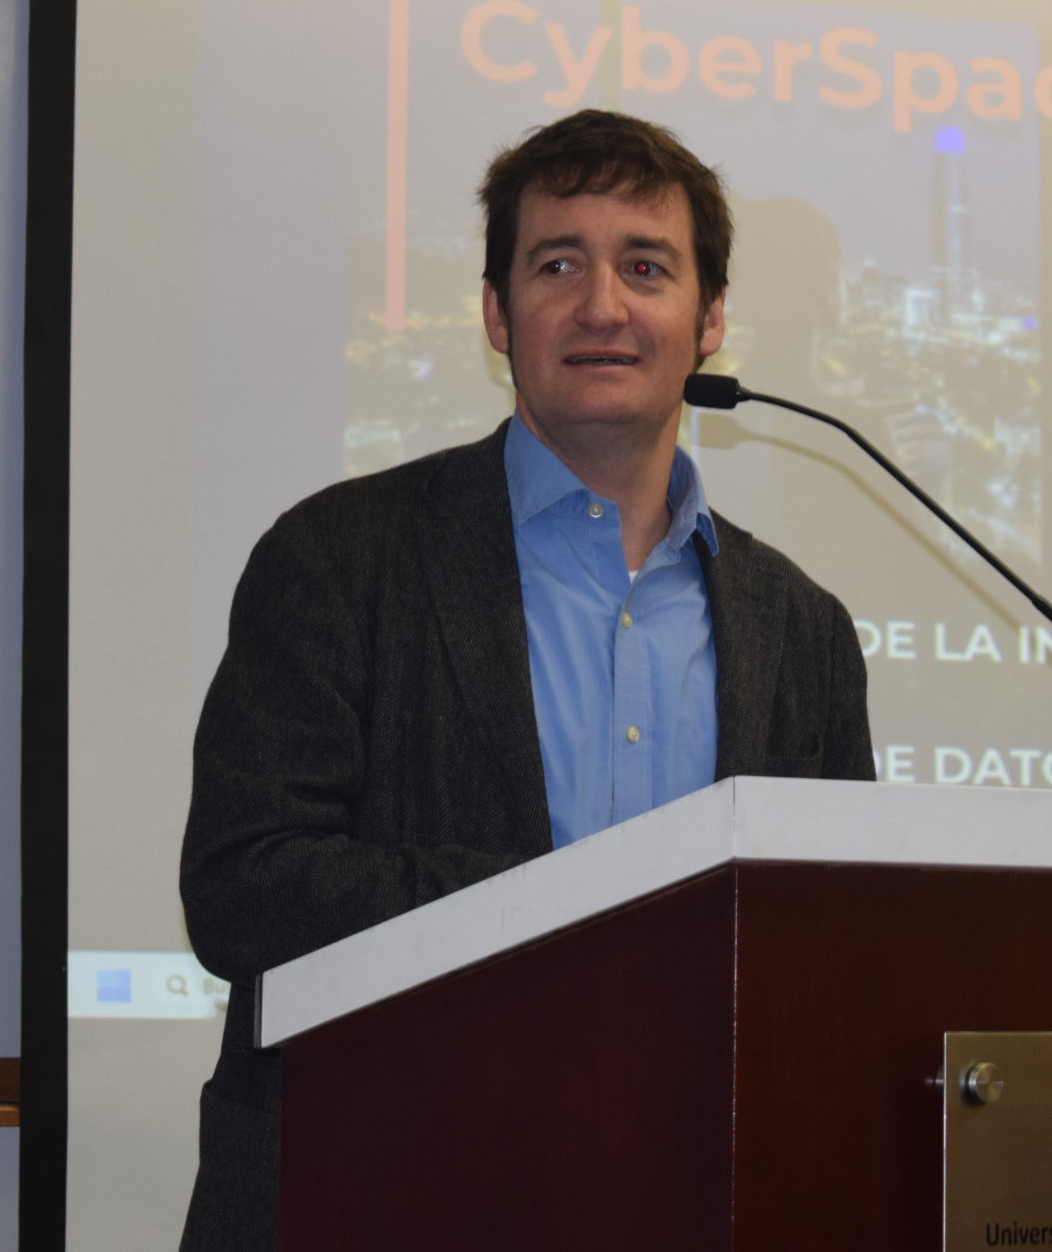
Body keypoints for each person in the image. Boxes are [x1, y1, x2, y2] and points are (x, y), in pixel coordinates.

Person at [176, 110, 875, 1250]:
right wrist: (576, 914)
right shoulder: (340, 559)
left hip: (694, 1203)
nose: (602, 305)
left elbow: (837, 959)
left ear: (709, 319)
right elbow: (243, 887)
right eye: (558, 265)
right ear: (499, 316)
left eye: (645, 267)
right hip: (378, 1199)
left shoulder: (802, 630)